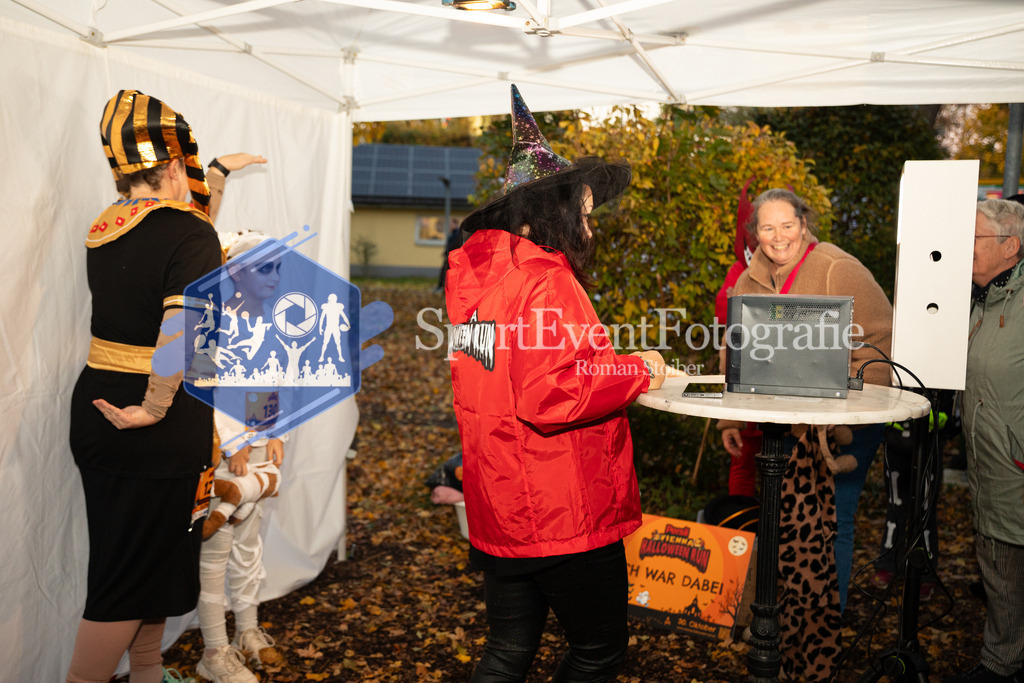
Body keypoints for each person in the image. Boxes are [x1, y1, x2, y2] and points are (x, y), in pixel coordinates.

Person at [446, 84, 667, 683]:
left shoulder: (475, 282)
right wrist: (639, 368)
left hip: (501, 497)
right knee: (597, 651)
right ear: (554, 212)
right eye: (584, 214)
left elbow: (505, 376)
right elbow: (552, 394)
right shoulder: (545, 280)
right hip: (559, 504)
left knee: (507, 651)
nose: (589, 227)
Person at [67, 89, 223, 683]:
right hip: (154, 423)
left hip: (99, 408)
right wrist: (154, 409)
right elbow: (181, 332)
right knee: (127, 582)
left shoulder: (106, 226)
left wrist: (218, 174)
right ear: (175, 164)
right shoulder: (189, 233)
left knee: (142, 566)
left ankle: (148, 673)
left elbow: (178, 241)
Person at [716, 188, 892, 681]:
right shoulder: (749, 278)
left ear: (803, 223)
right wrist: (730, 420)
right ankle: (789, 626)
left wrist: (845, 399)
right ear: (754, 233)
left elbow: (881, 338)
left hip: (845, 427)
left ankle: (824, 632)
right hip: (788, 424)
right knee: (790, 523)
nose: (778, 238)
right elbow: (734, 349)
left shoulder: (836, 266)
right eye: (767, 228)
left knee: (834, 520)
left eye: (787, 225)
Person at [196, 231, 287, 682]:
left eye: (278, 267)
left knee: (249, 544)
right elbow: (201, 390)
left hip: (255, 453)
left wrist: (275, 433)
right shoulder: (211, 323)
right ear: (234, 270)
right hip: (221, 453)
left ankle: (247, 631)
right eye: (264, 267)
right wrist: (231, 443)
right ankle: (214, 650)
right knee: (216, 546)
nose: (275, 276)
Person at [943, 198, 1024, 683]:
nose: (963, 246)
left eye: (973, 237)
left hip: (1016, 465)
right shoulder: (977, 300)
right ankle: (1001, 661)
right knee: (999, 570)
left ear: (1010, 246)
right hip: (988, 465)